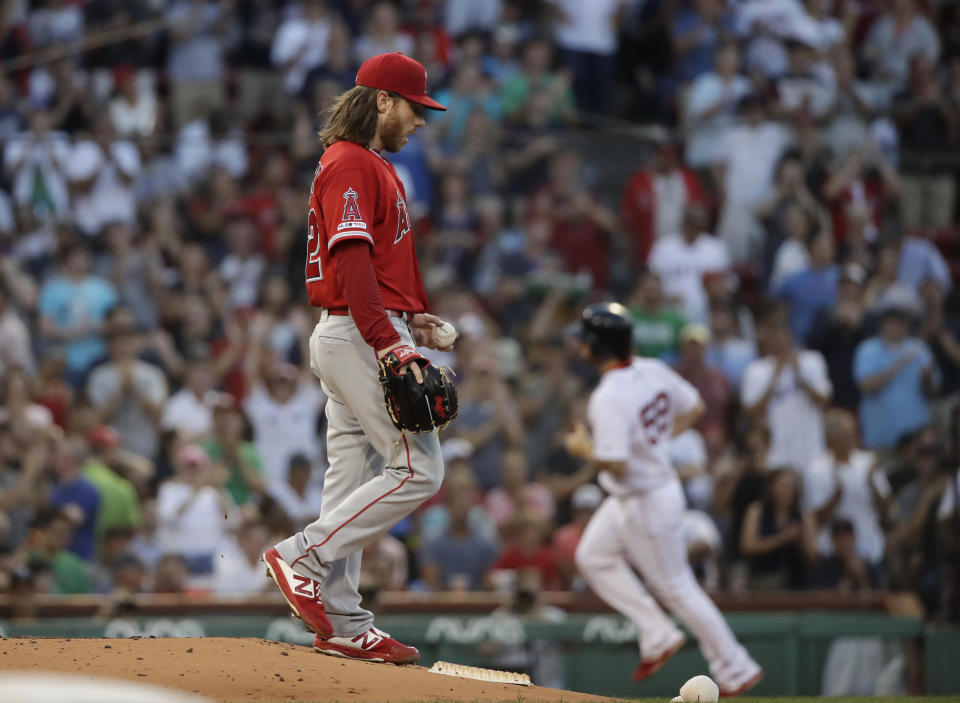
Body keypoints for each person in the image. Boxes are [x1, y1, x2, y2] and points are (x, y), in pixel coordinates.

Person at [261, 53, 452, 666]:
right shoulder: (350, 162)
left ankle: (342, 621)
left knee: (349, 478)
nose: (420, 121)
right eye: (414, 109)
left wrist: (411, 315)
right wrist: (391, 339)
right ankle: (302, 555)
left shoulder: (366, 164)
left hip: (360, 329)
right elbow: (350, 262)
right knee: (419, 469)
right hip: (359, 334)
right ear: (382, 102)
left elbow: (372, 267)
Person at [564, 303, 762, 695]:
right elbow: (697, 408)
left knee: (677, 587)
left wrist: (585, 450)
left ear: (594, 347)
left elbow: (616, 464)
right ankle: (656, 634)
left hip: (646, 497)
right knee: (592, 557)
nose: (580, 346)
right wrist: (654, 442)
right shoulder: (652, 368)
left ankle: (735, 666)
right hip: (632, 495)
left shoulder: (607, 396)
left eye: (584, 340)